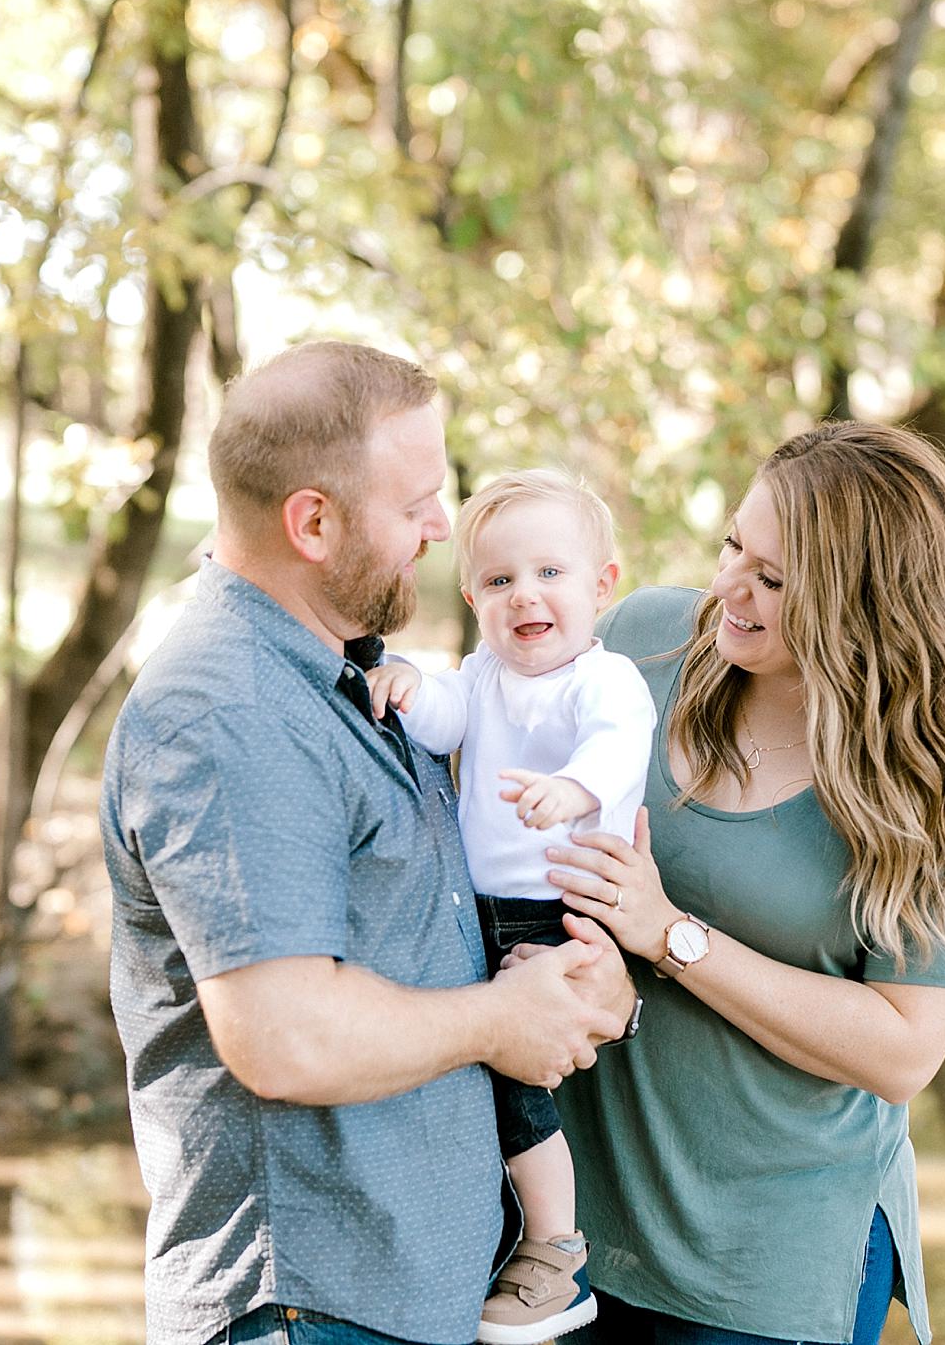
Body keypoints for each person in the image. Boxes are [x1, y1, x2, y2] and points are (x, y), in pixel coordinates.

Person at [100, 341, 635, 1345]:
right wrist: (495, 1021)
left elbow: (424, 931)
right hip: (309, 1309)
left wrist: (590, 990)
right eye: (416, 504)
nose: (442, 528)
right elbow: (285, 1036)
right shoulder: (230, 715)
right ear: (313, 522)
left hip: (410, 1294)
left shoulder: (349, 674)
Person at [521, 421, 945, 1345]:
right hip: (561, 1239)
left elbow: (900, 1051)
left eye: (774, 579)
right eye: (733, 546)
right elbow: (492, 746)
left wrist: (670, 935)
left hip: (763, 1267)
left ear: (868, 602)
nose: (730, 588)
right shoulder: (642, 643)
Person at [366, 470, 657, 1344]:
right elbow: (446, 719)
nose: (524, 594)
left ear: (601, 586)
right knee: (466, 1061)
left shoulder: (604, 683)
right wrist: (409, 685)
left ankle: (552, 1248)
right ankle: (497, 1226)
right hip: (480, 906)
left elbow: (616, 747)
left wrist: (573, 790)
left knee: (517, 1079)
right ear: (473, 597)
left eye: (550, 574)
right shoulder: (485, 672)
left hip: (563, 912)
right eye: (499, 581)